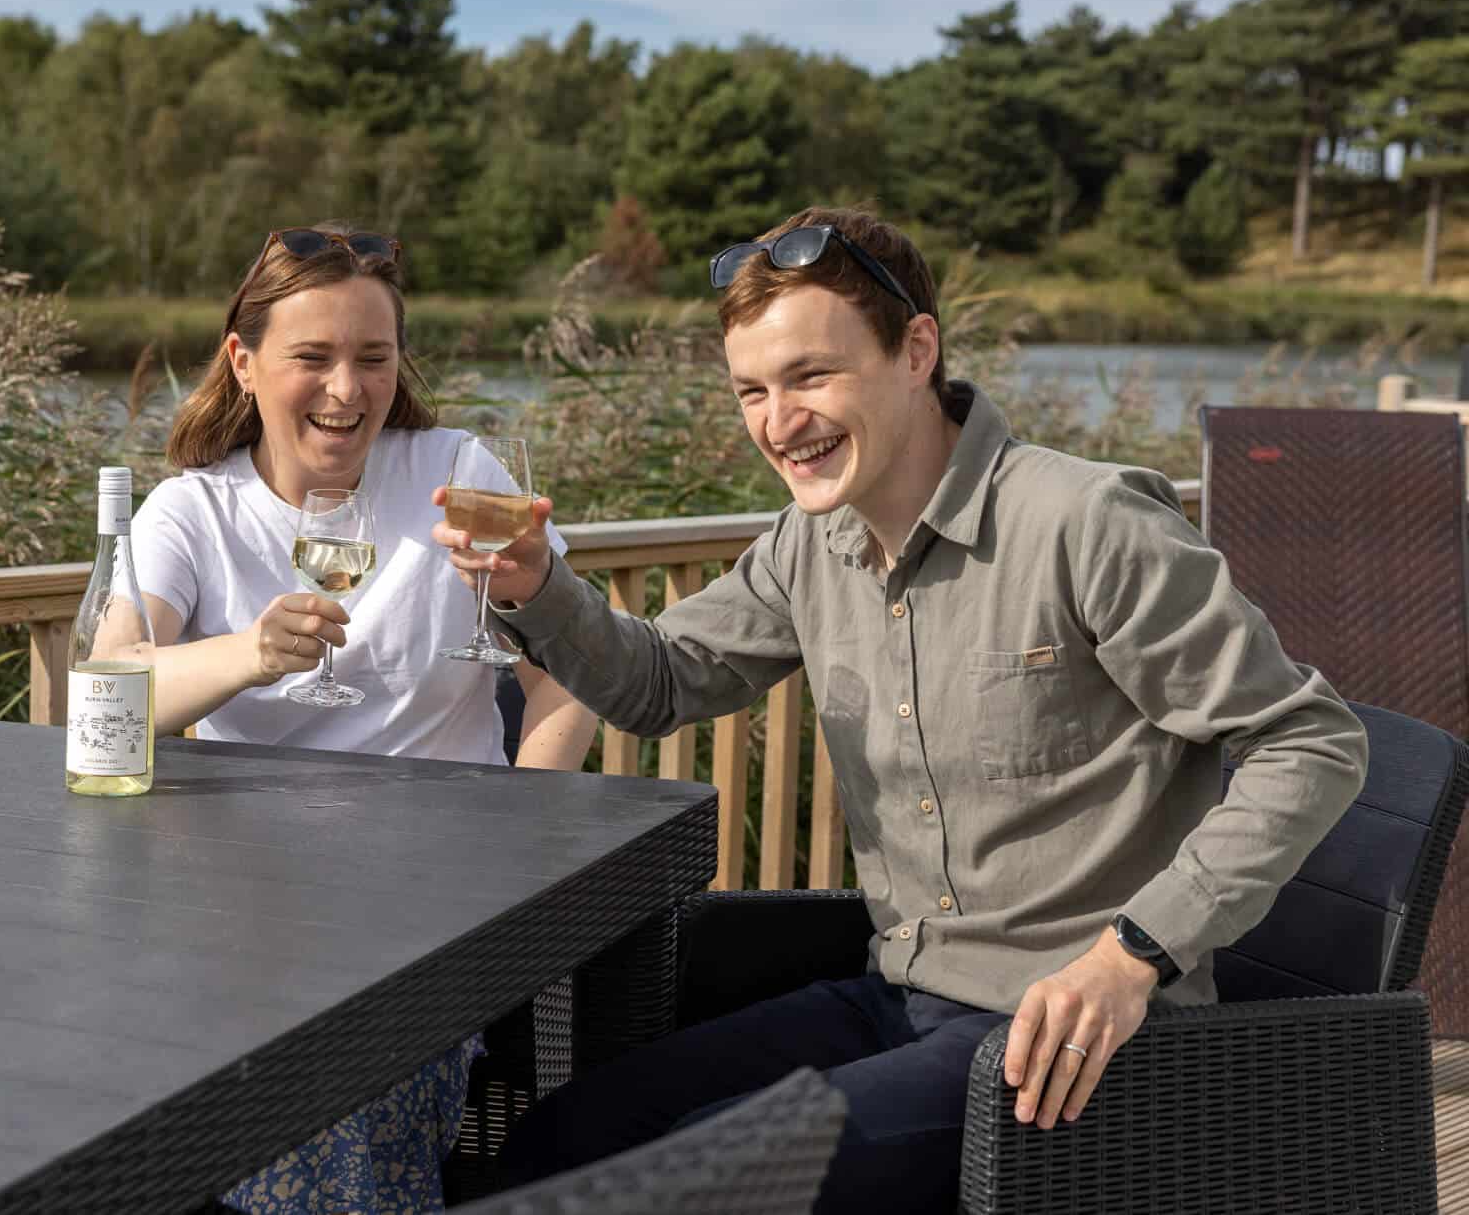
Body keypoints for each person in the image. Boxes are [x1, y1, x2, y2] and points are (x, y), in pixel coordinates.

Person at [428, 206, 1369, 1214]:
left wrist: (1129, 955)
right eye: (752, 389)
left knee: (698, 1184)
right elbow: (658, 685)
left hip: (1065, 1041)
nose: (776, 421)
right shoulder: (804, 544)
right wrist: (536, 586)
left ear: (915, 349)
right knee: (557, 1135)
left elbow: (1308, 742)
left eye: (809, 376)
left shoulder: (1084, 524)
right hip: (897, 997)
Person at [100, 222, 597, 1215]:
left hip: (430, 918)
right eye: (313, 358)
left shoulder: (455, 470)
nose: (347, 388)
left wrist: (516, 844)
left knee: (327, 1099)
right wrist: (249, 650)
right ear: (242, 361)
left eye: (373, 358)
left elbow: (570, 674)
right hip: (247, 918)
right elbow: (105, 698)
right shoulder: (189, 512)